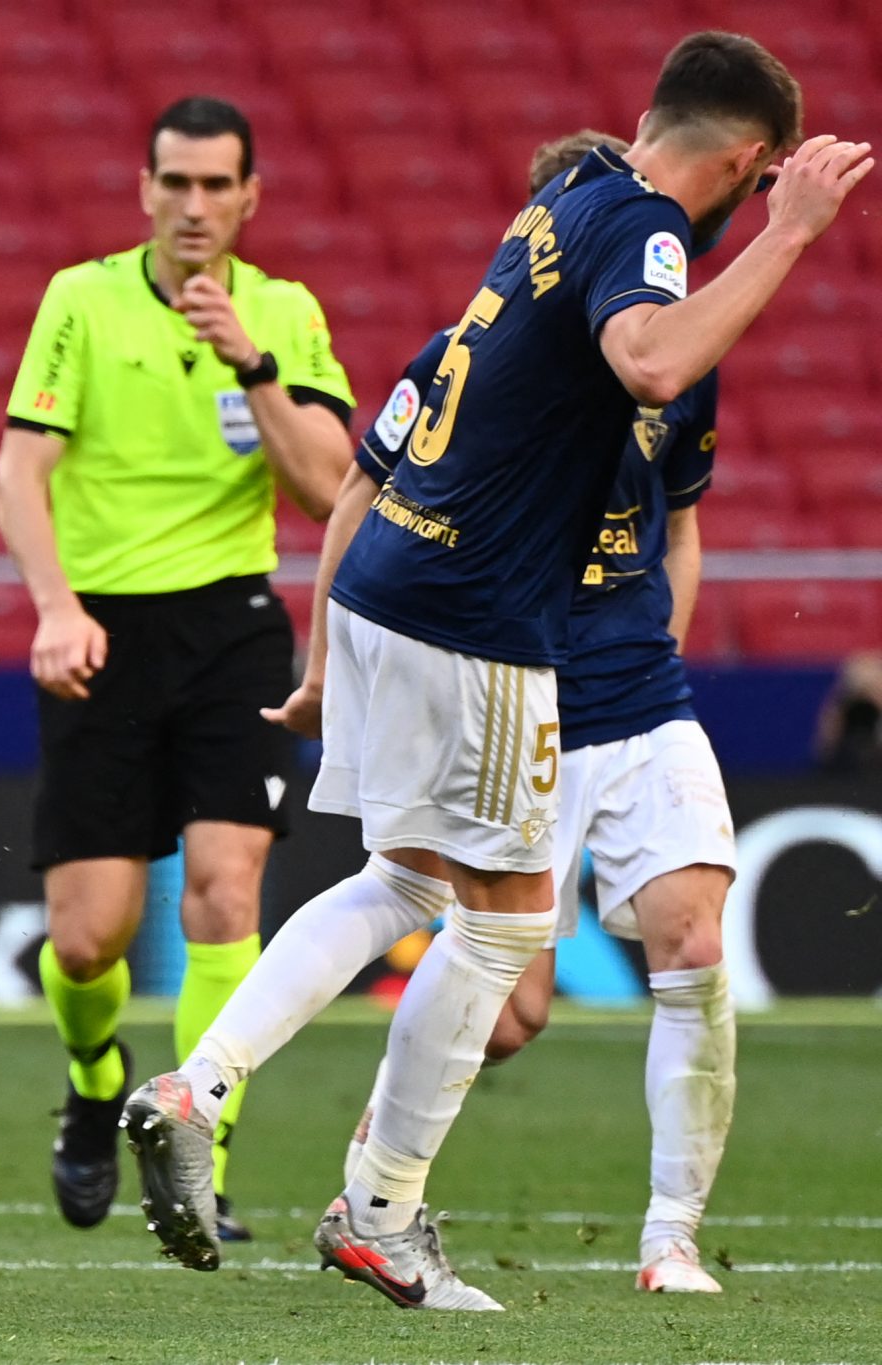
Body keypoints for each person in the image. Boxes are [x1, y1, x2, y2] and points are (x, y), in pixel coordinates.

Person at [123, 33, 864, 1309]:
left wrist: (319, 662)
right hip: (474, 613)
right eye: (755, 185)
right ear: (744, 164)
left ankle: (203, 1082)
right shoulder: (640, 225)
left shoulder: (559, 199)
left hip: (387, 582)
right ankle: (375, 1208)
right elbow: (652, 359)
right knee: (505, 920)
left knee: (405, 881)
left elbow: (415, 453)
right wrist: (788, 232)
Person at [339, 130, 736, 1296]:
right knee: (508, 1010)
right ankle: (368, 1187)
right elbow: (373, 485)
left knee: (694, 943)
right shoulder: (501, 350)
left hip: (639, 695)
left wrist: (659, 643)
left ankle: (671, 1234)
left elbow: (680, 518)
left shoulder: (677, 343)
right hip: (516, 689)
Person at [0, 96, 354, 1234]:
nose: (193, 206)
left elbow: (328, 485)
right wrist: (52, 606)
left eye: (215, 187)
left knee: (222, 891)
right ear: (144, 190)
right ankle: (96, 1080)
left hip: (232, 628)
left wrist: (250, 364)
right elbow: (18, 471)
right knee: (85, 939)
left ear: (249, 197)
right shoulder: (80, 300)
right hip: (96, 629)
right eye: (174, 184)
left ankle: (201, 1154)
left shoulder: (282, 315)